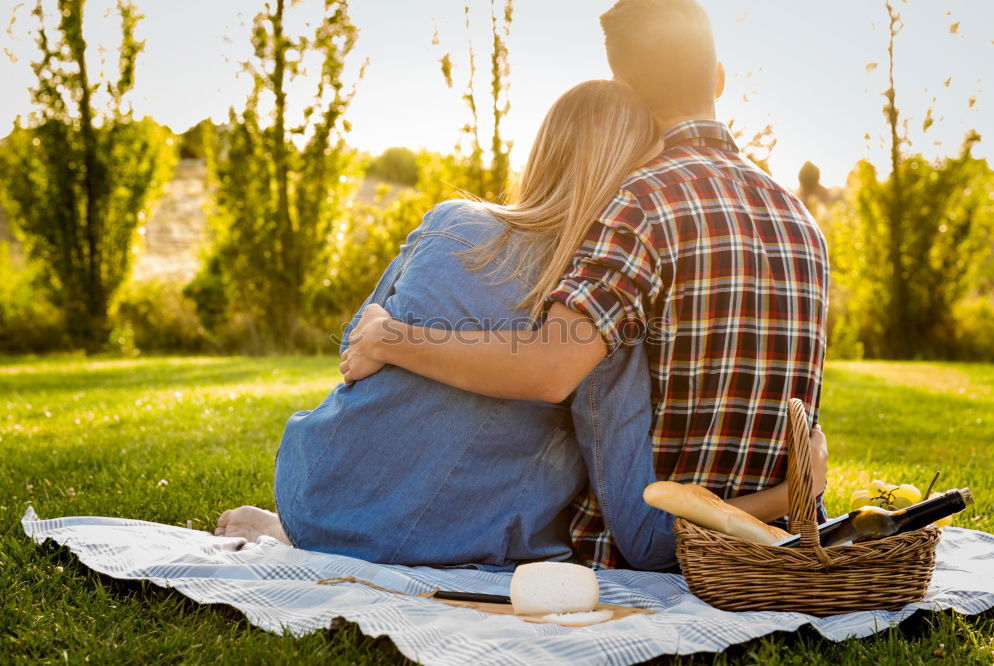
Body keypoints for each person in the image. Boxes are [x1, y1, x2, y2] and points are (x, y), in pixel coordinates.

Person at [216, 79, 826, 571]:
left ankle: (302, 533)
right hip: (441, 544)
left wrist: (394, 341)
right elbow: (645, 541)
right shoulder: (595, 319)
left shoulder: (449, 222)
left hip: (313, 492)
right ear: (635, 176)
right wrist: (787, 496)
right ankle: (352, 533)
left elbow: (357, 350)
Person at [341, 0, 830, 569]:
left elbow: (549, 369)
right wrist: (796, 493)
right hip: (781, 538)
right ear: (718, 78)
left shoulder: (643, 202)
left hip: (641, 541)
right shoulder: (800, 218)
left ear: (624, 91)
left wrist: (388, 338)